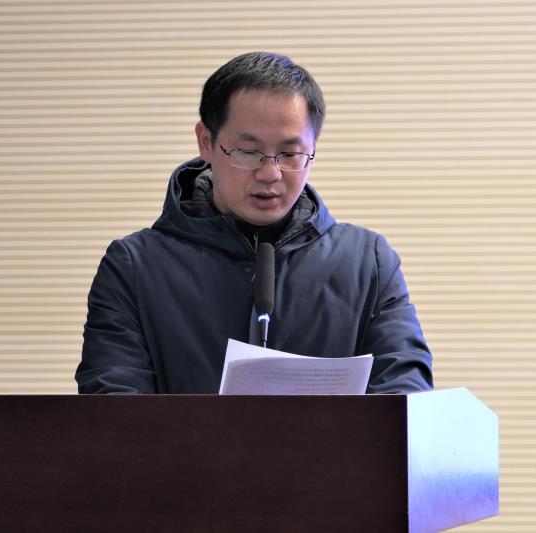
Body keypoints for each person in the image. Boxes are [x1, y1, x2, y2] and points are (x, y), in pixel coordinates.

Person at [75, 52, 433, 394]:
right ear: (206, 141)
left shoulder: (368, 263)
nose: (270, 173)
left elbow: (406, 396)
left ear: (314, 147)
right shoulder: (134, 268)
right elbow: (113, 406)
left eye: (290, 153)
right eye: (248, 152)